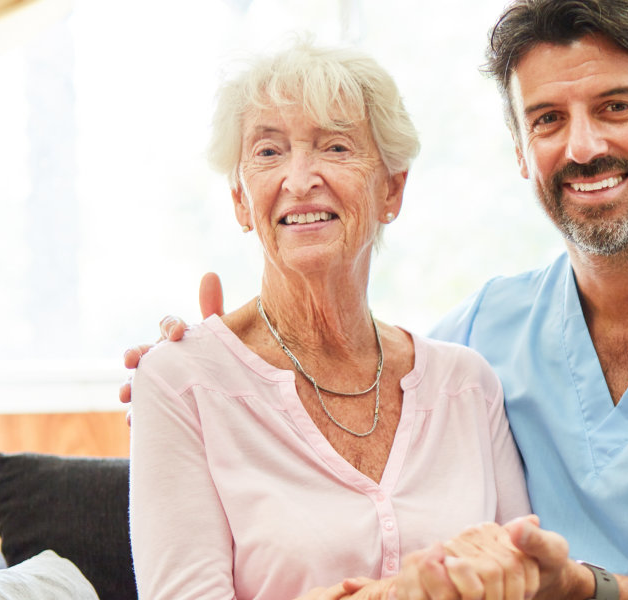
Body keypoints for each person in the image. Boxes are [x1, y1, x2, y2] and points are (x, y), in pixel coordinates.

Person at [125, 1, 628, 598]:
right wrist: (210, 370)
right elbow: (332, 388)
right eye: (547, 120)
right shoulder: (480, 344)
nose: (583, 147)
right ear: (519, 150)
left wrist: (589, 590)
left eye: (616, 107)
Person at [127, 40, 562, 600]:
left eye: (335, 146)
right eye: (268, 152)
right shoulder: (178, 382)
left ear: (393, 190)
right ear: (240, 200)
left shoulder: (467, 385)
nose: (300, 177)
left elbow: (523, 581)